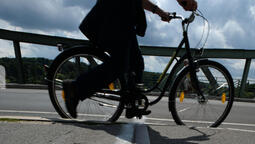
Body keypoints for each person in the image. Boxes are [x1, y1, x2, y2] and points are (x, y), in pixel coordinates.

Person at [63, 0, 198, 119]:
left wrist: (161, 11)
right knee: (119, 64)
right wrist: (173, 6)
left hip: (122, 18)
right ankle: (75, 88)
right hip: (115, 17)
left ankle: (132, 104)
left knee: (137, 63)